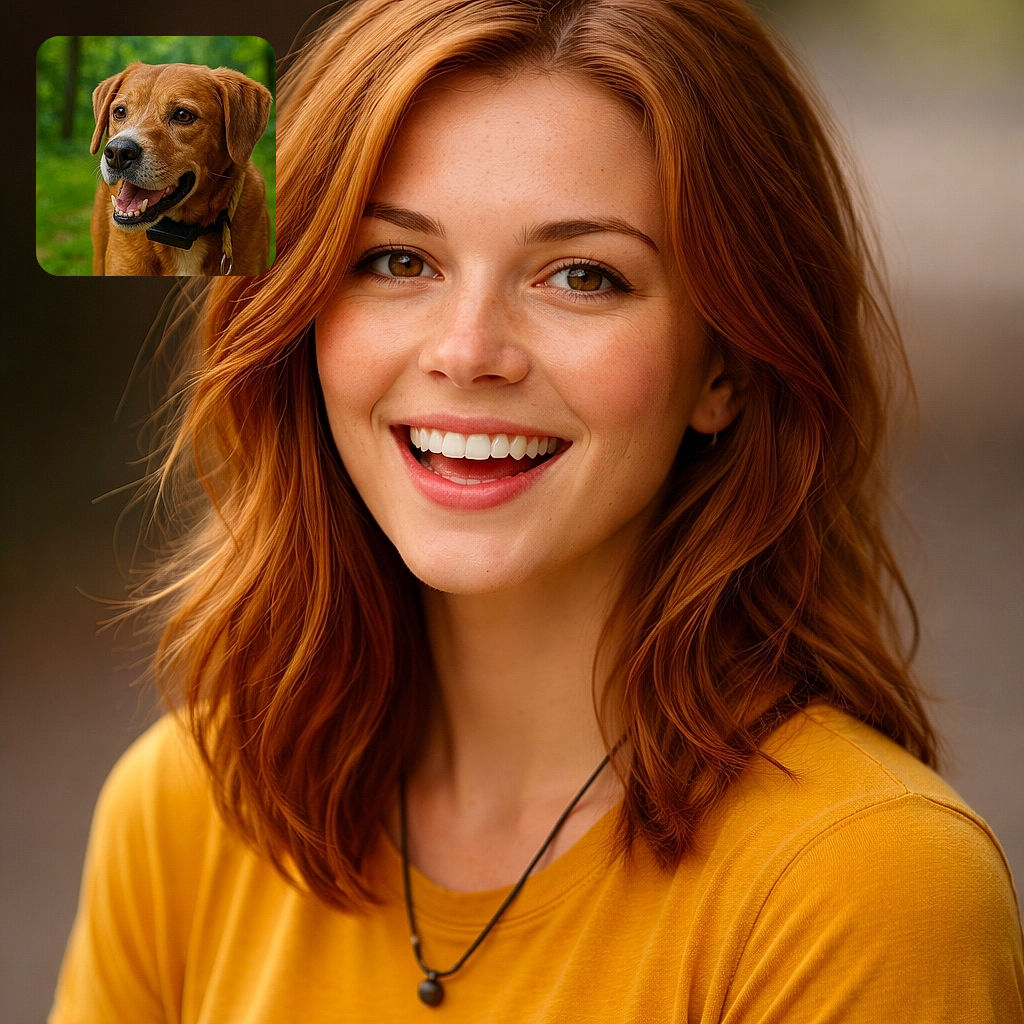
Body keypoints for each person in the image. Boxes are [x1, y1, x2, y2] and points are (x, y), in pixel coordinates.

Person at [51, 0, 1023, 1020]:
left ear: (727, 364)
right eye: (397, 260)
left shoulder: (867, 885)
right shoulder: (184, 806)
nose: (468, 350)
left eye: (583, 275)